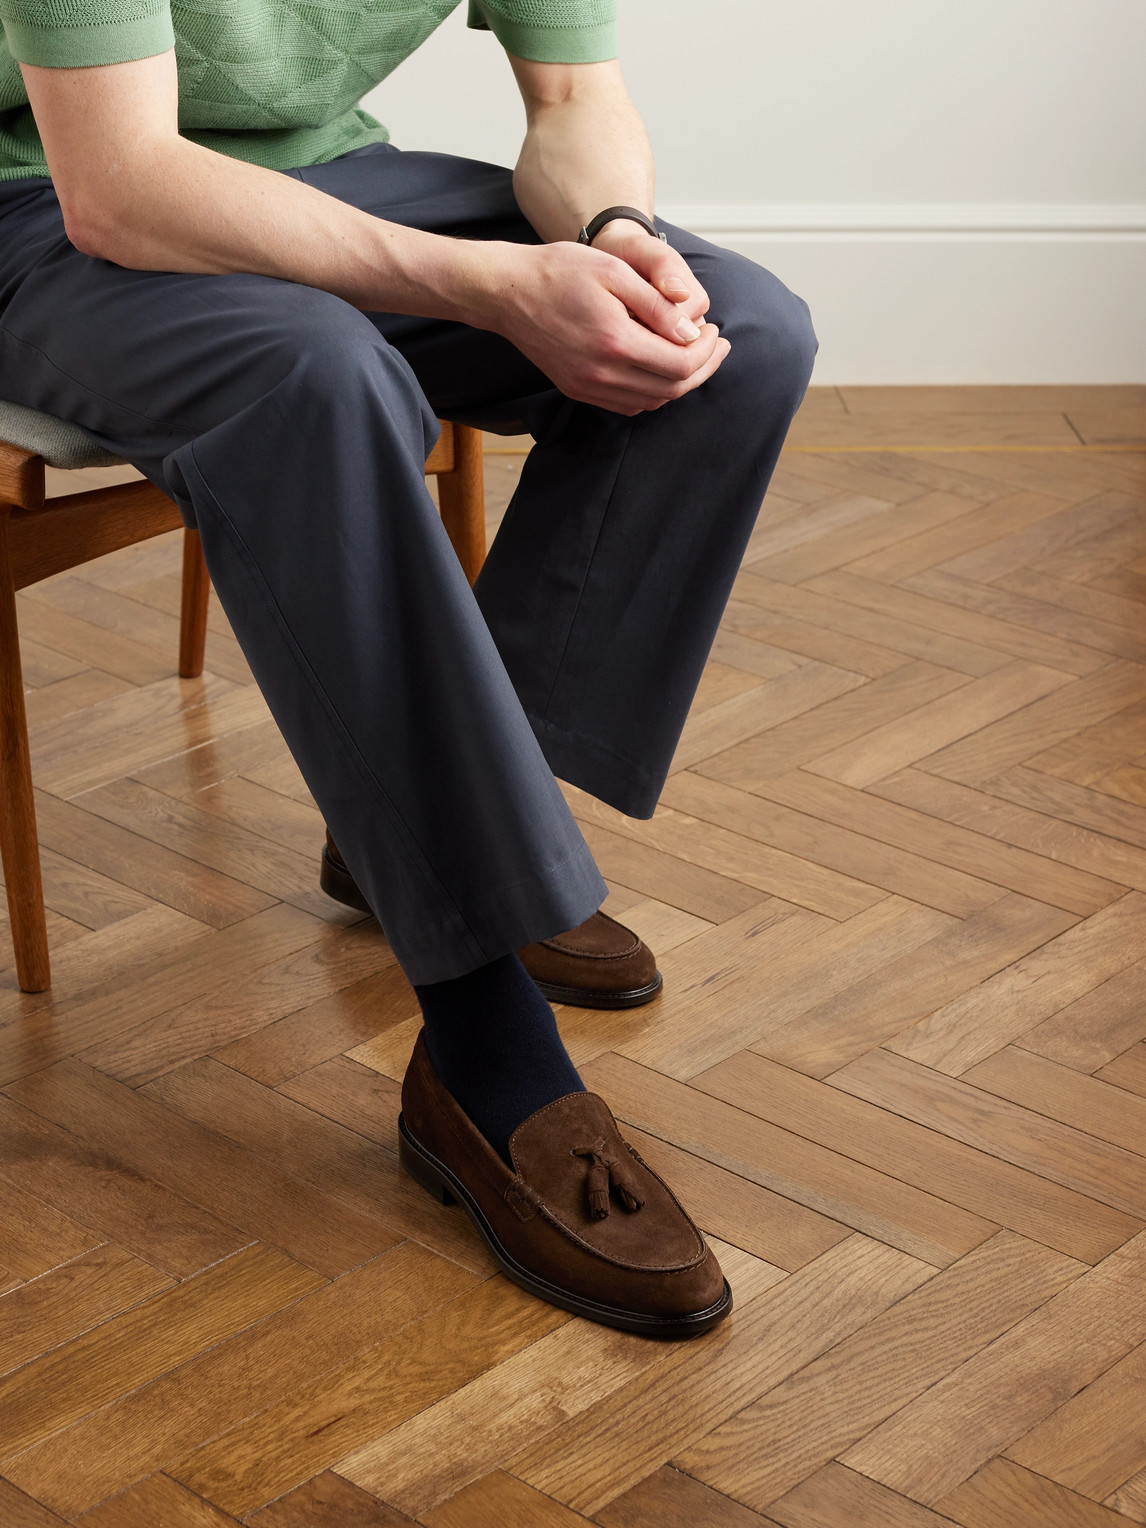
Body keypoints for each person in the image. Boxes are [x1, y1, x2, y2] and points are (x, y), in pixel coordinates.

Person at [0, 0, 815, 1336]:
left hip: (321, 175)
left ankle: (438, 846)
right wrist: (492, 285)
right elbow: (121, 185)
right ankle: (486, 1055)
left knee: (737, 341)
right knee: (321, 378)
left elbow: (572, 104)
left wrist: (615, 240)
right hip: (41, 208)